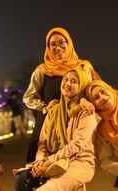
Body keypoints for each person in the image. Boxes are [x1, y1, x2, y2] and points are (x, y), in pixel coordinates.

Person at [23, 27, 98, 163]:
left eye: (61, 42)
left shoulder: (83, 67)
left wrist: (83, 100)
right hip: (48, 120)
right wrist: (45, 106)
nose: (58, 47)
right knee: (37, 158)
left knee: (72, 162)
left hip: (73, 120)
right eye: (53, 44)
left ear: (69, 44)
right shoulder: (42, 71)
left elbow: (90, 92)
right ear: (48, 48)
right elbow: (28, 97)